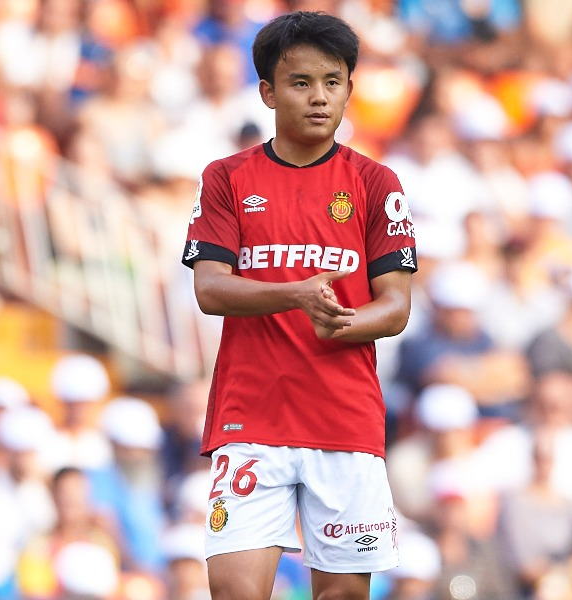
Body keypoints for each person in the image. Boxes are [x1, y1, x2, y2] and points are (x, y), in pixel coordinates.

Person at [181, 11, 417, 600]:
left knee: (341, 594)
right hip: (251, 416)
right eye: (301, 83)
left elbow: (395, 308)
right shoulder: (227, 178)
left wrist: (342, 320)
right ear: (268, 91)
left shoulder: (375, 183)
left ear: (349, 90)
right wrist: (296, 294)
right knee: (235, 591)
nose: (319, 98)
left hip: (344, 419)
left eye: (332, 82)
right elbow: (210, 288)